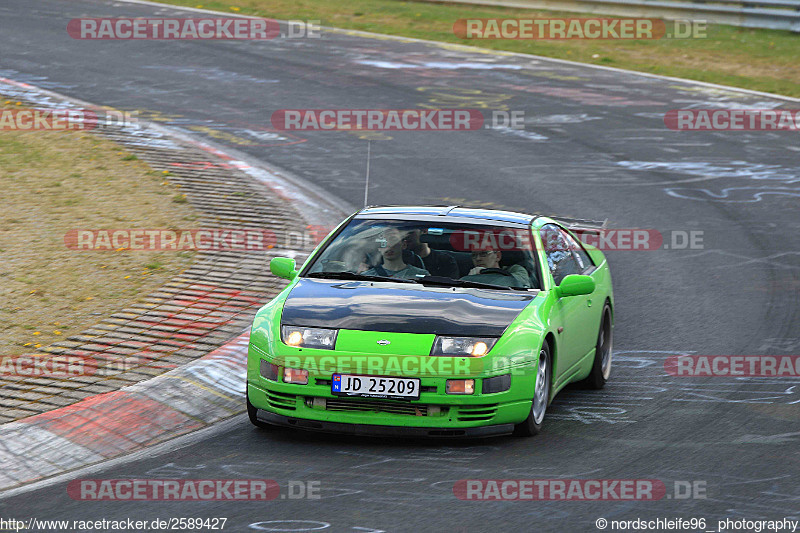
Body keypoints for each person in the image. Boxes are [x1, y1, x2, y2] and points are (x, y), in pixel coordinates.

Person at [363, 228, 430, 280]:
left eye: (393, 240)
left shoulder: (421, 275)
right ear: (379, 247)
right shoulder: (367, 277)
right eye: (383, 242)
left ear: (403, 245)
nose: (389, 245)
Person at [461, 248, 530, 288]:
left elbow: (518, 282)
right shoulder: (467, 273)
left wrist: (486, 274)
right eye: (474, 255)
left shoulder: (515, 270)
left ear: (497, 256)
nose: (478, 258)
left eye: (484, 253)